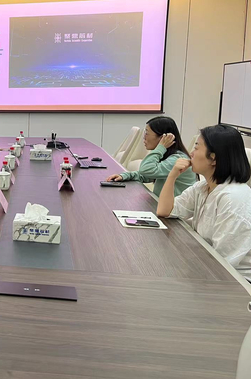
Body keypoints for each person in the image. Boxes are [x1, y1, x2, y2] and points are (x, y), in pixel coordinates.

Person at [157, 125, 251, 280]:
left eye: (196, 148)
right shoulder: (203, 186)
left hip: (237, 282)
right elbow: (165, 211)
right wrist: (172, 175)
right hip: (208, 268)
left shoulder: (233, 199)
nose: (191, 154)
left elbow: (223, 263)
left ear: (213, 158)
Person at [107, 116, 196, 196]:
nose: (144, 137)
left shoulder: (177, 159)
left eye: (147, 133)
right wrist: (125, 176)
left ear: (162, 138)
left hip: (172, 209)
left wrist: (161, 147)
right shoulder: (167, 156)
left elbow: (146, 170)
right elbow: (147, 175)